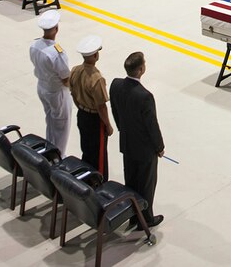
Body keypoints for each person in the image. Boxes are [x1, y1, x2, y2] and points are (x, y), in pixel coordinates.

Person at [109, 51, 165, 230]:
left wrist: (122, 129)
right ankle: (146, 218)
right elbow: (151, 125)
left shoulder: (116, 85)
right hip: (144, 149)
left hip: (127, 143)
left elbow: (116, 112)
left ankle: (132, 214)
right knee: (147, 184)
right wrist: (159, 147)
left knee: (131, 180)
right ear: (141, 69)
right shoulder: (144, 96)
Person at [69, 35, 113, 180]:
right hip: (95, 119)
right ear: (95, 55)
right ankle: (98, 183)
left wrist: (81, 107)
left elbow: (73, 94)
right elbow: (101, 107)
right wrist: (108, 125)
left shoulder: (75, 70)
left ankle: (86, 178)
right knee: (99, 156)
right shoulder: (96, 78)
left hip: (82, 115)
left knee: (86, 150)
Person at [29, 10, 72, 156]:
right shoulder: (56, 52)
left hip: (42, 87)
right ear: (56, 29)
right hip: (56, 92)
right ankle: (57, 157)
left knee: (50, 121)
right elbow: (66, 78)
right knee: (61, 126)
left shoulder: (34, 45)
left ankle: (49, 149)